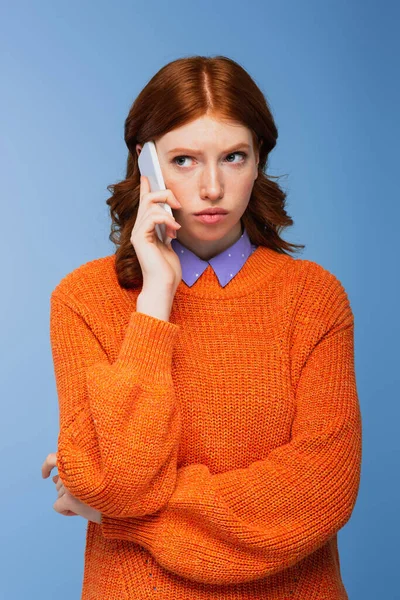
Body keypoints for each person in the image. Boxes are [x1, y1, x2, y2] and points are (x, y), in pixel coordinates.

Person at [41, 55, 362, 599]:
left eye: (233, 156)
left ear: (258, 160)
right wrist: (156, 298)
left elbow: (320, 493)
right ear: (146, 166)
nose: (212, 187)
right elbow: (120, 477)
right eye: (184, 160)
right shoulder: (83, 299)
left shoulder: (314, 298)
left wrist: (122, 517)